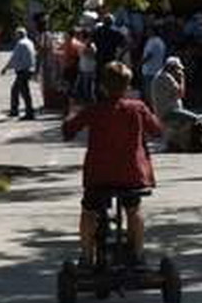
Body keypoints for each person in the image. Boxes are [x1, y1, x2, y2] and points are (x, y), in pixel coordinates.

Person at [62, 62, 163, 266]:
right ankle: (137, 253)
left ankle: (87, 256)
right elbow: (157, 131)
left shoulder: (95, 110)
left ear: (102, 86)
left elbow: (69, 131)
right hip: (131, 175)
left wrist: (71, 112)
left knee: (89, 211)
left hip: (99, 176)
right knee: (134, 209)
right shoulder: (137, 108)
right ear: (127, 86)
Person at [152, 57, 202, 151]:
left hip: (167, 110)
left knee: (192, 119)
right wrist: (182, 78)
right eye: (177, 69)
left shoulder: (160, 76)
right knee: (197, 119)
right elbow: (181, 93)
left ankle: (176, 143)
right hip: (170, 112)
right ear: (172, 68)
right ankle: (195, 144)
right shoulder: (166, 78)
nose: (178, 72)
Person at [2, 27, 37, 120]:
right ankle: (15, 110)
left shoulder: (20, 44)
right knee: (17, 90)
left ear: (19, 35)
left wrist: (5, 68)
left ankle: (28, 113)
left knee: (23, 92)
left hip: (23, 70)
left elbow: (14, 59)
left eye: (16, 34)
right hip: (29, 69)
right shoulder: (30, 42)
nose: (15, 36)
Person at [94, 14, 127, 87]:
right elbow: (125, 44)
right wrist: (121, 55)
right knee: (109, 78)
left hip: (100, 57)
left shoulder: (98, 32)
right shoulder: (115, 33)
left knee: (99, 78)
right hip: (110, 58)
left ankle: (98, 94)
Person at [140, 26, 167, 99]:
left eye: (148, 30)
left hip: (149, 70)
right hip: (158, 69)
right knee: (156, 91)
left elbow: (149, 55)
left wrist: (140, 63)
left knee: (149, 92)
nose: (146, 32)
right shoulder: (161, 41)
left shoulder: (152, 41)